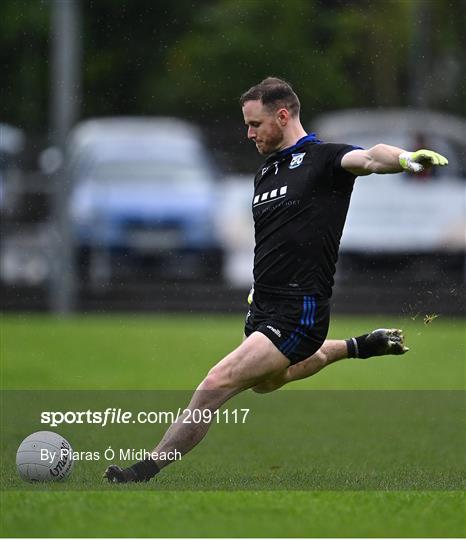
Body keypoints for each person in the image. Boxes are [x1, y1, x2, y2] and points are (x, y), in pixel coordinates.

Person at [104, 77, 448, 483]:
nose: (249, 134)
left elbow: (371, 158)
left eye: (255, 124)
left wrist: (406, 158)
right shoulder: (266, 170)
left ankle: (142, 471)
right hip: (263, 306)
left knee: (217, 383)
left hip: (299, 309)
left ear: (282, 116)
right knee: (269, 382)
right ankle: (359, 346)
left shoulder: (323, 159)